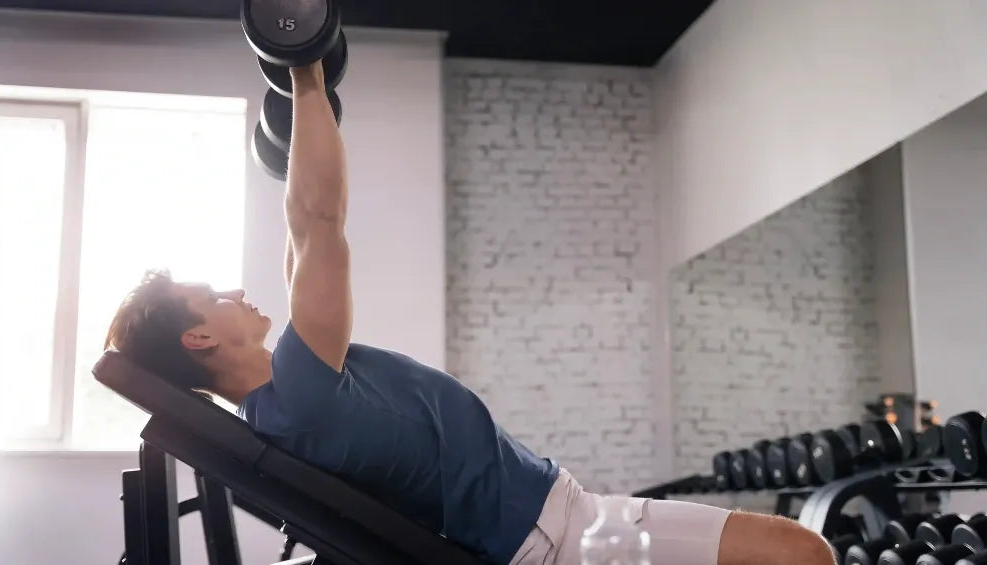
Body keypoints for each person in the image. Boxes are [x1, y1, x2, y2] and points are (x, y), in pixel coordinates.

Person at [103, 60, 835, 565]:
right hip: (566, 540)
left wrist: (306, 111)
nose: (235, 290)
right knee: (804, 552)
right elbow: (316, 221)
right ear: (199, 336)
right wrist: (304, 72)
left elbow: (303, 234)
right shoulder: (297, 391)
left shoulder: (285, 404)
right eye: (213, 296)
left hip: (563, 521)